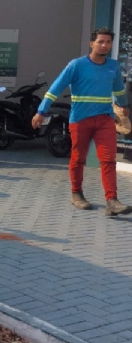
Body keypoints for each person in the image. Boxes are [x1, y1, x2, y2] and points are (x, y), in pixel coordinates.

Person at [32, 27, 132, 215]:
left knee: (109, 160)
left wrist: (124, 105)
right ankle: (76, 194)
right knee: (78, 158)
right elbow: (55, 88)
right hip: (80, 119)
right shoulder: (76, 65)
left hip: (105, 120)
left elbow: (118, 90)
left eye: (108, 42)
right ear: (91, 43)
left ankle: (112, 200)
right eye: (100, 41)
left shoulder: (113, 66)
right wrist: (41, 111)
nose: (104, 45)